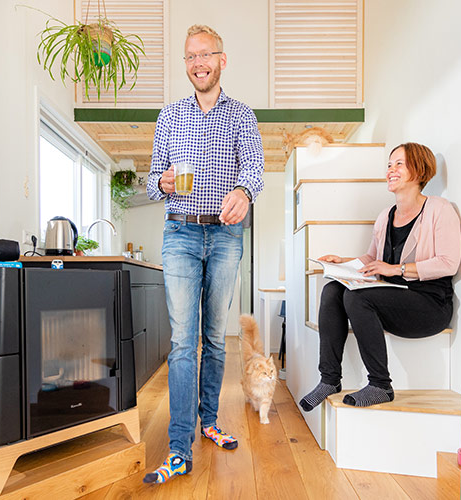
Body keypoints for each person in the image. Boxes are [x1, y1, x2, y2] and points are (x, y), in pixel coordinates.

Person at [142, 24, 264, 485]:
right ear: (186, 64)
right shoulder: (169, 115)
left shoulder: (241, 115)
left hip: (227, 236)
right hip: (180, 234)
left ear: (221, 59)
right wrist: (163, 183)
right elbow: (152, 177)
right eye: (190, 57)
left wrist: (244, 192)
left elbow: (255, 169)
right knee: (181, 342)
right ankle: (179, 446)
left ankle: (208, 419)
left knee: (214, 337)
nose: (198, 63)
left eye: (205, 55)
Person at [298, 143, 461, 411]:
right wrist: (344, 262)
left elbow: (448, 263)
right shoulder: (386, 216)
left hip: (430, 304)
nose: (390, 170)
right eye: (389, 165)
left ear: (419, 170)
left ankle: (380, 385)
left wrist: (397, 269)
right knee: (332, 290)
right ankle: (329, 380)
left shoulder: (439, 209)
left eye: (399, 164)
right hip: (394, 299)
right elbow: (373, 260)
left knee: (357, 298)